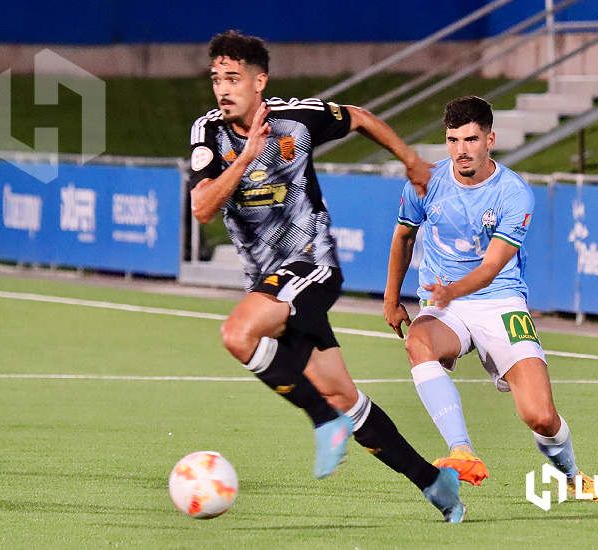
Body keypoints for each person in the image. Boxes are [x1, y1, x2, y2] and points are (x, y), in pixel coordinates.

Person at [188, 30, 464, 522]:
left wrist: (412, 161)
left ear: (259, 81)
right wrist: (247, 156)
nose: (223, 89)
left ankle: (322, 423)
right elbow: (203, 207)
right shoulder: (208, 132)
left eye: (233, 78)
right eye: (216, 79)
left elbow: (358, 117)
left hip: (311, 266)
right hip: (268, 283)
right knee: (342, 394)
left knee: (238, 334)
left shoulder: (296, 118)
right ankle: (433, 480)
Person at [384, 95, 598, 501]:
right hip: (445, 306)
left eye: (471, 140)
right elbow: (403, 235)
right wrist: (391, 298)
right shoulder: (426, 182)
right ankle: (462, 450)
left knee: (540, 416)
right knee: (418, 342)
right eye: (453, 140)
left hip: (500, 301)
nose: (461, 151)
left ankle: (575, 477)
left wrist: (452, 289)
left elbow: (491, 268)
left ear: (491, 139)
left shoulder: (513, 193)